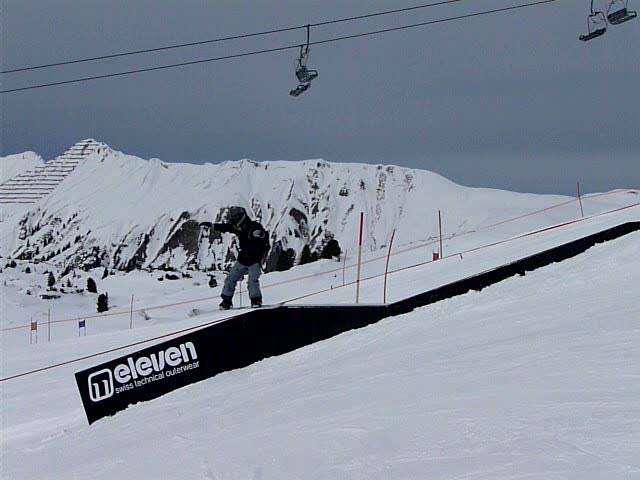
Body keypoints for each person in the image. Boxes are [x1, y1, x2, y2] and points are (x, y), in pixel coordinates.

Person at [211, 207, 270, 309]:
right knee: (231, 280)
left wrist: (258, 244)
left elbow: (262, 238)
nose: (235, 225)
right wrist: (212, 225)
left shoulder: (254, 228)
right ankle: (227, 301)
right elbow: (227, 227)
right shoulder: (242, 228)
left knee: (251, 281)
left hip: (253, 260)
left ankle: (255, 301)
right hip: (244, 259)